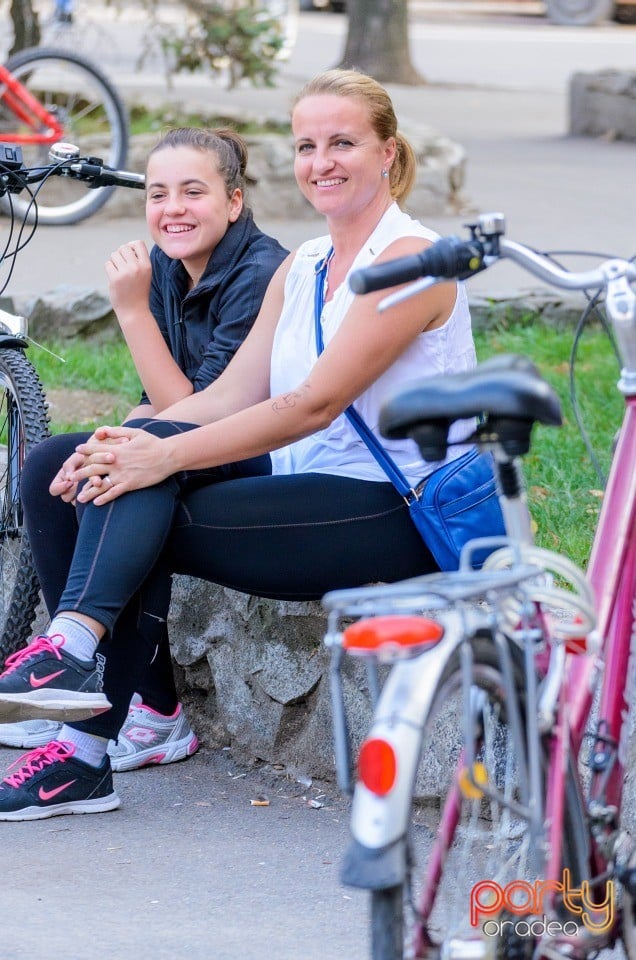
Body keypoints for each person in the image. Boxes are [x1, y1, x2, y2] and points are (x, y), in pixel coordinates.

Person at [0, 68, 477, 821]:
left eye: (343, 143)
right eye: (307, 145)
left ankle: (84, 738)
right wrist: (134, 438)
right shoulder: (306, 264)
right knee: (69, 462)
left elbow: (310, 405)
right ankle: (74, 667)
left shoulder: (409, 263)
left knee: (144, 488)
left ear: (387, 153)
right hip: (298, 486)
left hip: (394, 510)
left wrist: (159, 454)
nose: (322, 161)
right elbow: (227, 397)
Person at [0, 126, 288, 772]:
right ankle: (93, 692)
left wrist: (131, 315)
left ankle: (131, 701)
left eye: (193, 191)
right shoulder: (166, 265)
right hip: (189, 438)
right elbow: (153, 402)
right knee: (54, 466)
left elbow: (202, 406)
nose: (172, 209)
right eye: (158, 194)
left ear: (234, 200)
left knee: (131, 470)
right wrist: (109, 440)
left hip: (252, 449)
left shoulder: (259, 272)